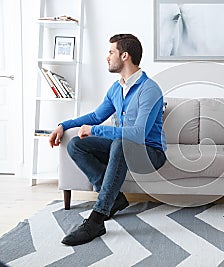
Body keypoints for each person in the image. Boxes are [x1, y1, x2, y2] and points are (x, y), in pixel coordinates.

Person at [49, 34, 167, 246]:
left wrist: (95, 130)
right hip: (123, 148)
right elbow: (96, 117)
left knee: (122, 143)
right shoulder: (116, 88)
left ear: (124, 56)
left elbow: (138, 134)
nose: (107, 57)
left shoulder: (149, 89)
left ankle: (97, 218)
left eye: (110, 52)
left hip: (150, 153)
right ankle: (116, 199)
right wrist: (64, 125)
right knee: (76, 144)